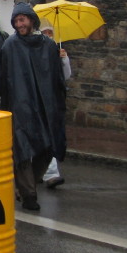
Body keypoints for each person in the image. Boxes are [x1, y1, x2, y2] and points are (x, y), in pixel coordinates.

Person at [0, 2, 67, 211]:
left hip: (44, 105)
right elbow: (3, 77)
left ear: (31, 20)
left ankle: (26, 185)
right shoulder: (10, 46)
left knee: (46, 148)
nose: (20, 24)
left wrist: (61, 59)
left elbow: (57, 78)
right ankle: (28, 195)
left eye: (23, 20)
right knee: (22, 151)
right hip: (20, 105)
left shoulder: (47, 45)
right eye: (16, 21)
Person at [39, 19, 72, 188]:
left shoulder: (58, 51)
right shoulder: (37, 52)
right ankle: (46, 172)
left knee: (52, 135)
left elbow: (66, 76)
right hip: (40, 101)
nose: (47, 36)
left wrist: (64, 60)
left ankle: (49, 172)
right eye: (44, 33)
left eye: (50, 33)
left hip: (54, 100)